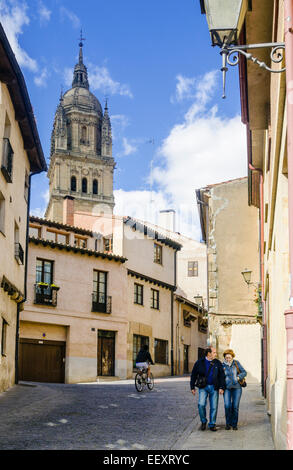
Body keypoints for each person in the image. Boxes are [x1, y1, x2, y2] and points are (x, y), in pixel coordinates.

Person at [190, 347, 225, 431]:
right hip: (203, 387)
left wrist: (221, 387)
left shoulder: (217, 362)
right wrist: (192, 387)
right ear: (209, 353)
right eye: (214, 352)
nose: (215, 354)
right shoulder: (199, 362)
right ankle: (203, 421)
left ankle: (212, 424)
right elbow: (194, 374)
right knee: (201, 404)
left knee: (214, 407)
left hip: (214, 387)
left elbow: (222, 375)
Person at [222, 349, 247, 430]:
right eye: (226, 358)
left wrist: (238, 377)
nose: (228, 359)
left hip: (237, 388)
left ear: (232, 357)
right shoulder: (222, 365)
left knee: (235, 406)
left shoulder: (236, 363)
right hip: (227, 388)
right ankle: (228, 424)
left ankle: (234, 424)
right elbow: (220, 377)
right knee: (227, 406)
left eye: (229, 357)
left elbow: (244, 372)